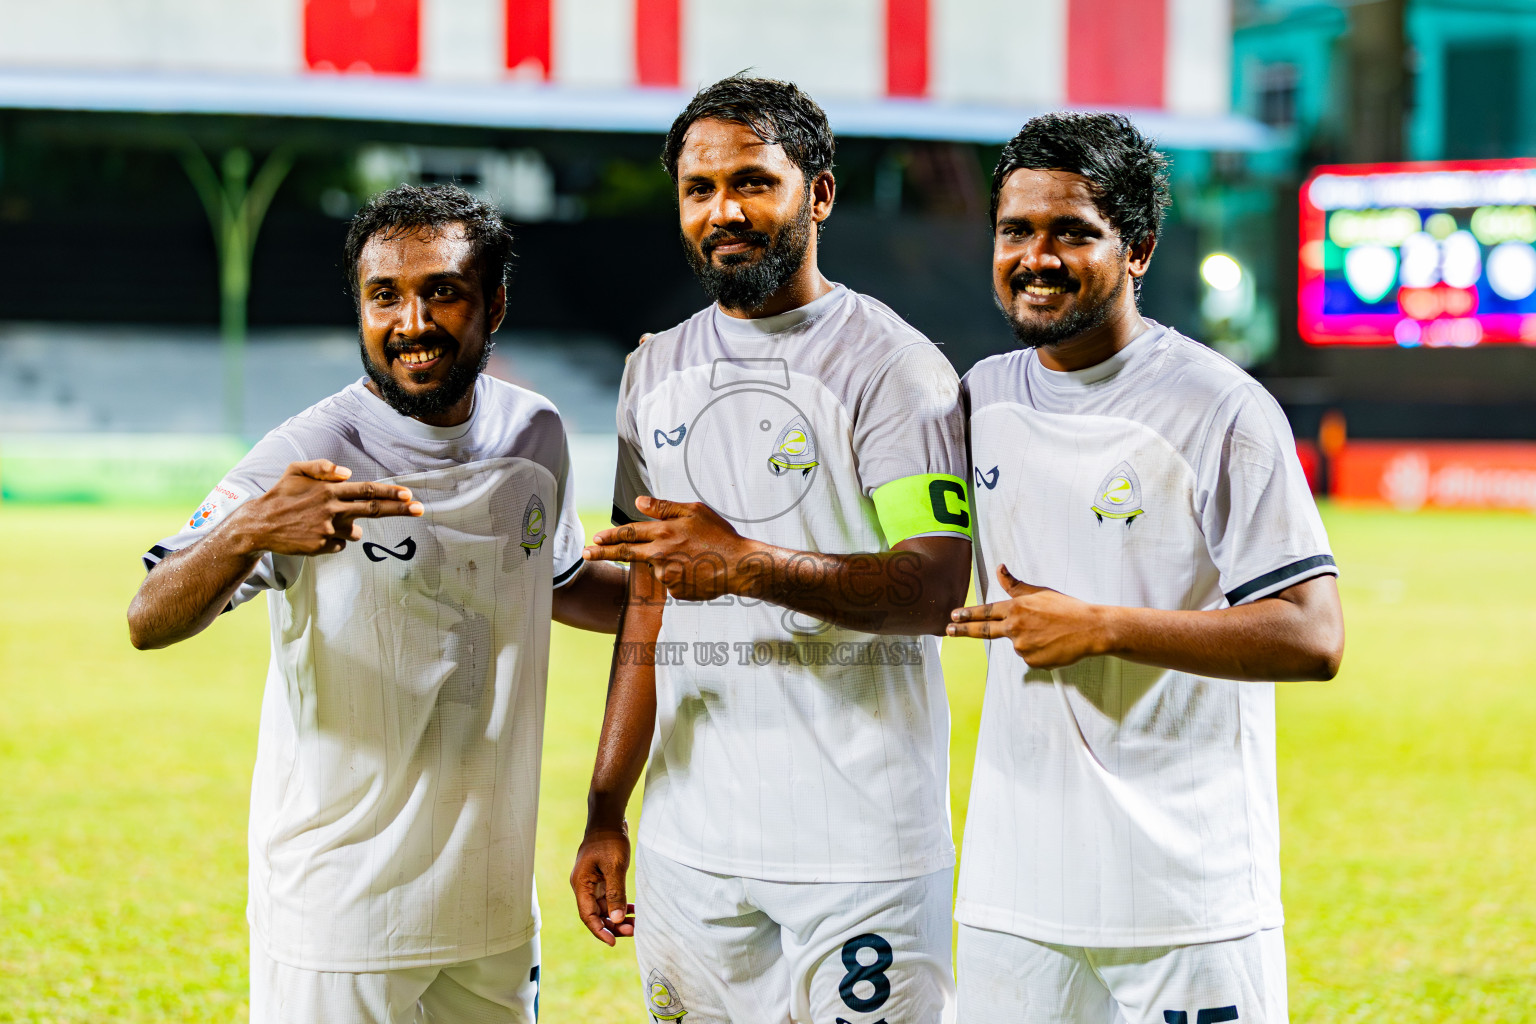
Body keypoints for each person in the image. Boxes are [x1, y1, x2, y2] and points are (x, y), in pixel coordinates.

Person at [127, 184, 624, 1023]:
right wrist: (252, 529)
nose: (412, 321)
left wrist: (727, 583)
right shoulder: (312, 450)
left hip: (491, 902)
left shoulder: (536, 434)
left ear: (493, 304)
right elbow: (148, 617)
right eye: (384, 295)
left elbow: (559, 586)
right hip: (340, 909)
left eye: (443, 291)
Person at [569, 75, 971, 1024]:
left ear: (819, 194)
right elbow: (647, 603)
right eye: (698, 190)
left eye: (753, 181)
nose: (725, 211)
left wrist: (748, 562)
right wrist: (604, 807)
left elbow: (935, 589)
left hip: (862, 848)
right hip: (691, 846)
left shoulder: (893, 367)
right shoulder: (652, 370)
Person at [945, 112, 1345, 1024]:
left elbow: (1314, 635)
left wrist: (1105, 626)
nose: (1036, 257)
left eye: (1073, 232)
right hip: (1018, 893)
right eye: (1016, 231)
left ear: (1139, 250)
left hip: (1187, 898)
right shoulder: (981, 396)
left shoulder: (1221, 408)